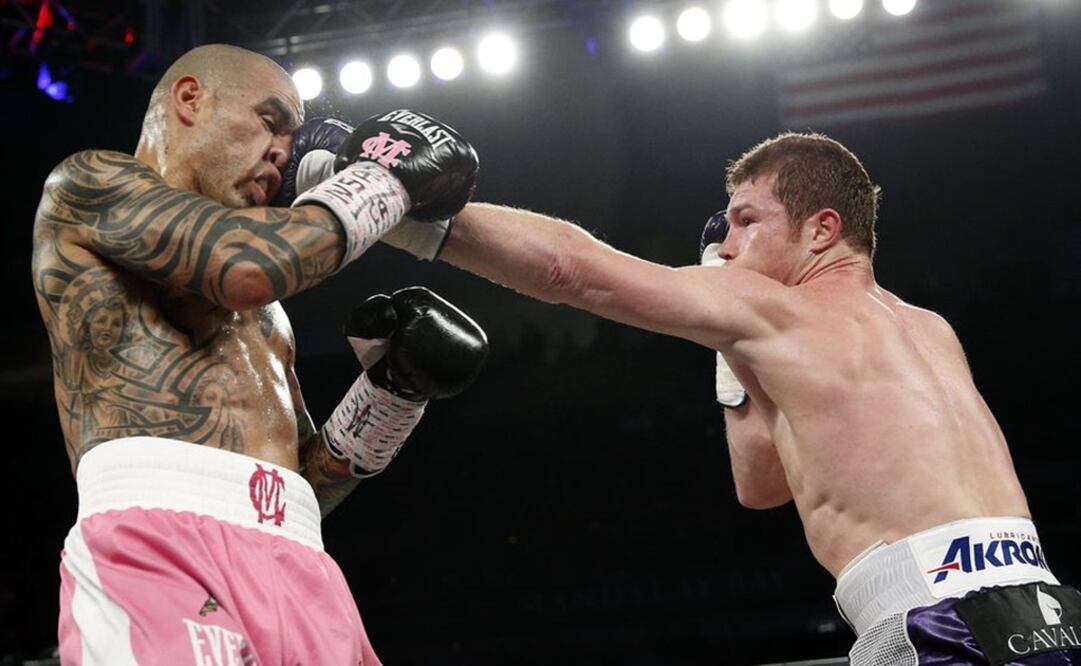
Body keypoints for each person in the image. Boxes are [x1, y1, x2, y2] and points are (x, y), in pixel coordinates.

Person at [358, 131, 1080, 664]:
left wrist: (380, 204)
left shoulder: (777, 309)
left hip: (940, 621)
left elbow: (571, 270)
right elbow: (761, 483)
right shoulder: (929, 329)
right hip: (1049, 617)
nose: (725, 243)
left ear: (822, 229)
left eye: (746, 220)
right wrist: (729, 345)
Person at [31, 43, 488, 665]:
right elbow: (247, 265)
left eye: (293, 139)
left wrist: (389, 399)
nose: (283, 153)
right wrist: (384, 178)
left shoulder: (266, 311)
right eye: (271, 122)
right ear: (190, 99)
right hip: (159, 544)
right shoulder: (90, 184)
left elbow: (299, 486)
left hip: (299, 560)